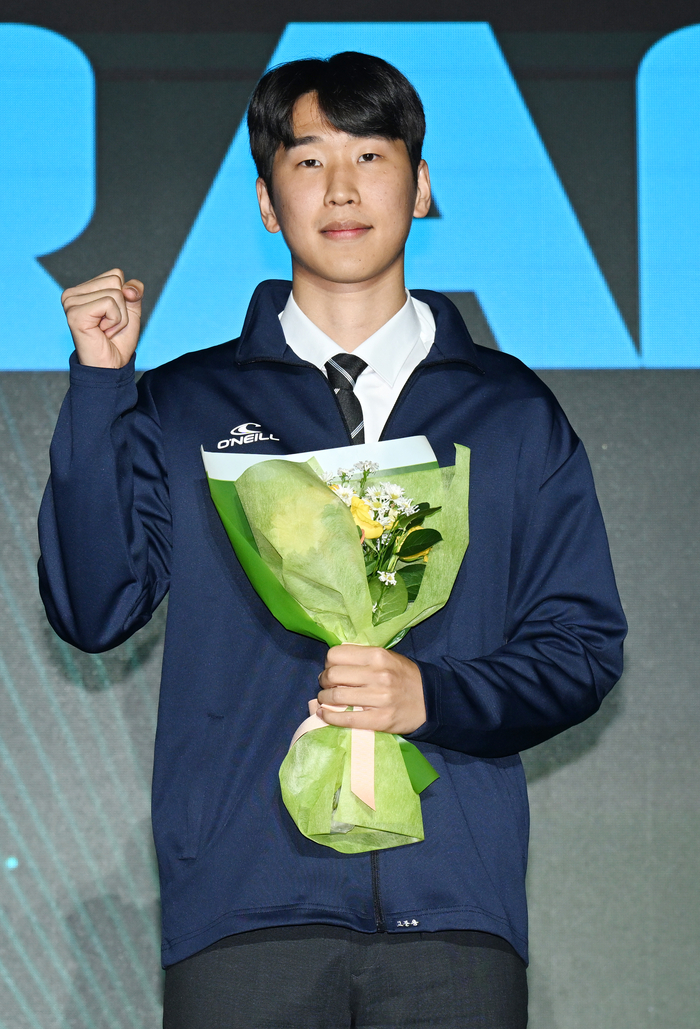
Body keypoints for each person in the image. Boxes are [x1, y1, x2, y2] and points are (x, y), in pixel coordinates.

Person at [38, 52, 626, 1029]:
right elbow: (92, 607)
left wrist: (433, 696)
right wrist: (102, 387)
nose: (341, 188)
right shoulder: (186, 405)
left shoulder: (510, 411)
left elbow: (581, 648)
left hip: (453, 914)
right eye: (308, 161)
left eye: (370, 155)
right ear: (268, 203)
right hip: (243, 912)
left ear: (420, 186)